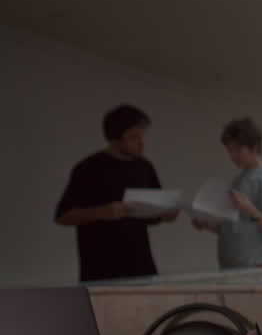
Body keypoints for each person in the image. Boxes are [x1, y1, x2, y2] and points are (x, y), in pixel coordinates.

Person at [55, 104, 178, 281]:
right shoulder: (88, 168)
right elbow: (63, 216)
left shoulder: (144, 167)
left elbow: (150, 216)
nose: (141, 143)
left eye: (142, 136)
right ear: (115, 139)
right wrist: (101, 212)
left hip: (142, 265)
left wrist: (166, 214)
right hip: (101, 268)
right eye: (133, 137)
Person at [192, 117, 262, 268]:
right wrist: (207, 225)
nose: (232, 156)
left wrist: (250, 210)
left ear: (253, 147)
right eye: (229, 150)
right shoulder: (240, 179)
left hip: (257, 267)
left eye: (237, 150)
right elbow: (239, 227)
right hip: (233, 267)